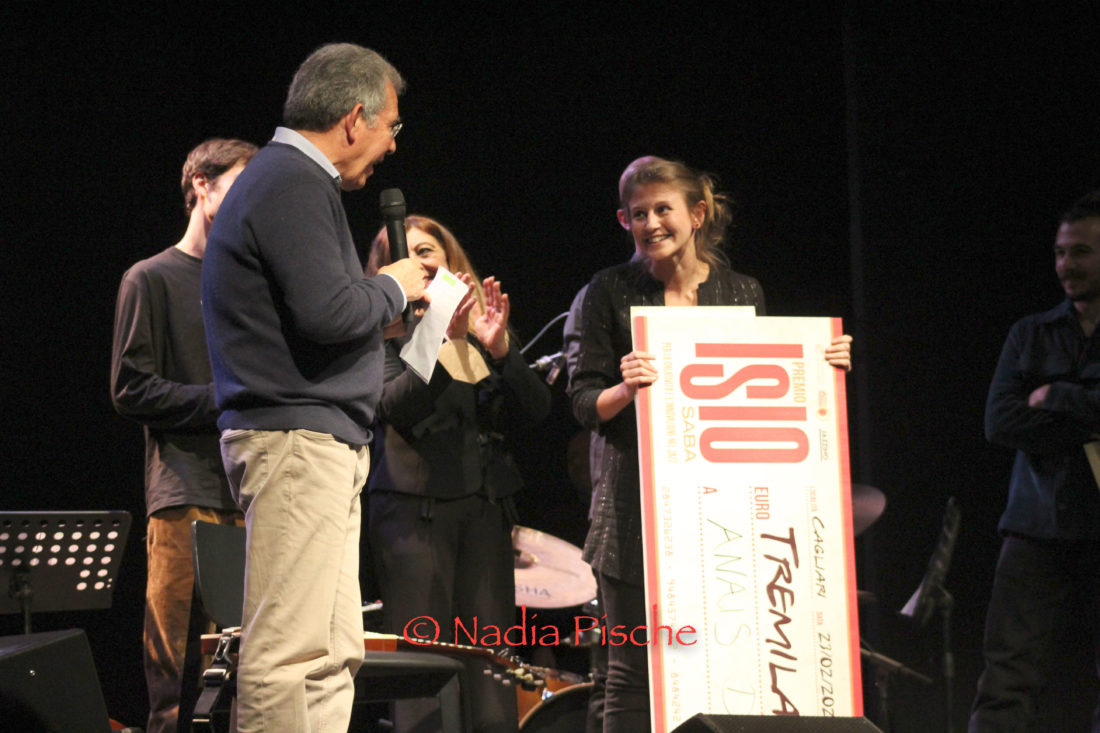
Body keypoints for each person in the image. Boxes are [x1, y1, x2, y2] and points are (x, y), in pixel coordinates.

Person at [568, 156, 852, 732]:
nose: (651, 223)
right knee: (631, 672)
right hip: (632, 513)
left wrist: (822, 364)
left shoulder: (741, 290)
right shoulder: (609, 290)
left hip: (722, 517)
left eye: (663, 209)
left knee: (722, 663)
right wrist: (625, 388)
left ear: (697, 214)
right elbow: (582, 402)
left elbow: (767, 391)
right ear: (623, 221)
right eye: (638, 213)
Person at [201, 44, 428, 733]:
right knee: (289, 652)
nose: (392, 145)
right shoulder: (290, 180)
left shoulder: (293, 181)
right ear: (355, 118)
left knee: (331, 653)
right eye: (391, 126)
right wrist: (393, 286)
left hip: (315, 442)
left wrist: (381, 310)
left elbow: (319, 317)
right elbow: (328, 313)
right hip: (295, 444)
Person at [365, 215, 551, 733]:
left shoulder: (482, 326)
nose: (419, 261)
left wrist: (501, 351)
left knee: (492, 669)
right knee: (423, 667)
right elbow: (395, 406)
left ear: (450, 261)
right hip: (411, 514)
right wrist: (441, 341)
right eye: (404, 253)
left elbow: (536, 410)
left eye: (428, 250)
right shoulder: (380, 332)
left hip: (484, 511)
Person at [110, 137, 256, 733]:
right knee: (175, 669)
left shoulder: (245, 285)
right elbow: (130, 388)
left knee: (243, 666)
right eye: (240, 184)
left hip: (249, 489)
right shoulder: (150, 277)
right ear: (202, 184)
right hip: (183, 493)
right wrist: (225, 399)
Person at [969, 191, 1100, 733]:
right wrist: (1089, 416)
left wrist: (1058, 397)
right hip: (1036, 524)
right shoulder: (1031, 332)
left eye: (1082, 252)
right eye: (1060, 253)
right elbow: (1000, 422)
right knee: (1007, 676)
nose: (1067, 265)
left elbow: (1032, 415)